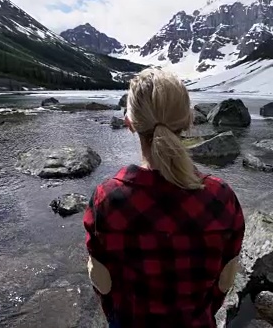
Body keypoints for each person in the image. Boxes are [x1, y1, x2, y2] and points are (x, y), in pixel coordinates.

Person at [83, 68, 246, 328]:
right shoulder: (221, 197)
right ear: (188, 120)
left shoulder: (107, 198)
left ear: (130, 123)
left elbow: (102, 281)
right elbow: (225, 280)